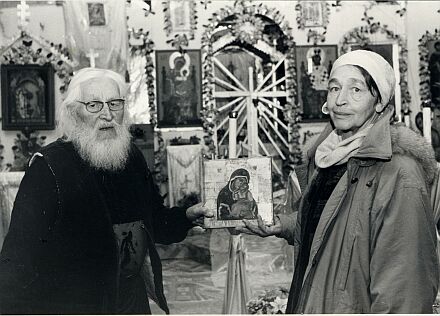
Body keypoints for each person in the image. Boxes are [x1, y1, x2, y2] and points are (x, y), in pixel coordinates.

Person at [237, 50, 440, 313]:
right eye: (334, 88)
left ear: (379, 101)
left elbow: (404, 287)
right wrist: (285, 225)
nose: (340, 100)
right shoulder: (329, 155)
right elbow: (337, 223)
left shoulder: (398, 172)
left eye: (356, 90)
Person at [0, 67, 213, 314]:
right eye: (94, 105)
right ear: (74, 112)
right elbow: (19, 257)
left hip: (130, 299)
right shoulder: (49, 167)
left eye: (114, 103)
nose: (107, 114)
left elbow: (154, 222)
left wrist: (187, 215)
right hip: (75, 304)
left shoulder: (131, 157)